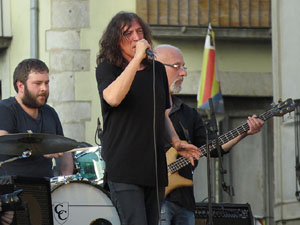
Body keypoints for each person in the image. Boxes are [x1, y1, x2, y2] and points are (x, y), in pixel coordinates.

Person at [95, 12, 200, 225]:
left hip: (153, 167)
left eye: (139, 31)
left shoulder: (157, 70)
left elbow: (162, 115)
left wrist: (175, 141)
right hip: (124, 166)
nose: (136, 37)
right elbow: (113, 98)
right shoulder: (108, 69)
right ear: (116, 40)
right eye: (128, 33)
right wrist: (135, 60)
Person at [154, 44, 264, 225]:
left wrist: (245, 131)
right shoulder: (144, 109)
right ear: (157, 68)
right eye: (177, 66)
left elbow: (214, 147)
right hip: (156, 199)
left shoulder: (188, 113)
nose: (184, 73)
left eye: (184, 67)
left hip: (185, 202)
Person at [0, 58, 73, 178]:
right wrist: (39, 147)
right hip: (12, 189)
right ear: (20, 86)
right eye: (38, 83)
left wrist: (66, 177)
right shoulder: (5, 109)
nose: (44, 88)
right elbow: (2, 140)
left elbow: (64, 149)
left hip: (46, 187)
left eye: (47, 83)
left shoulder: (50, 113)